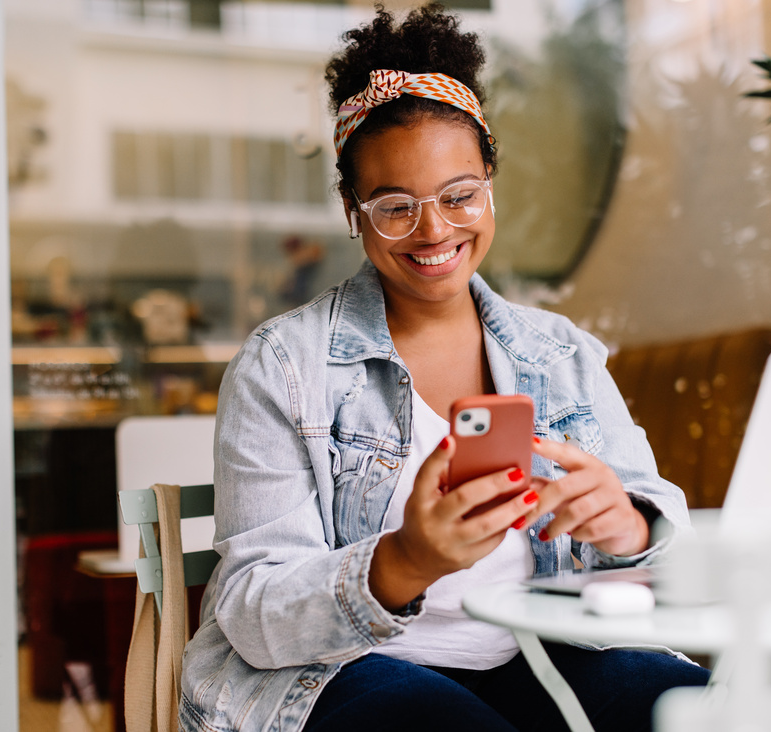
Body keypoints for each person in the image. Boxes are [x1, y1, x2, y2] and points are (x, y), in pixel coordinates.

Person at [179, 6, 709, 731]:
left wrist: (629, 527)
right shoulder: (281, 366)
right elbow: (251, 609)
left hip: (542, 650)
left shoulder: (563, 353)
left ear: (489, 182)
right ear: (351, 208)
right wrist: (401, 562)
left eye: (459, 195)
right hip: (342, 673)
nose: (435, 231)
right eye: (396, 206)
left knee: (702, 711)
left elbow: (663, 531)